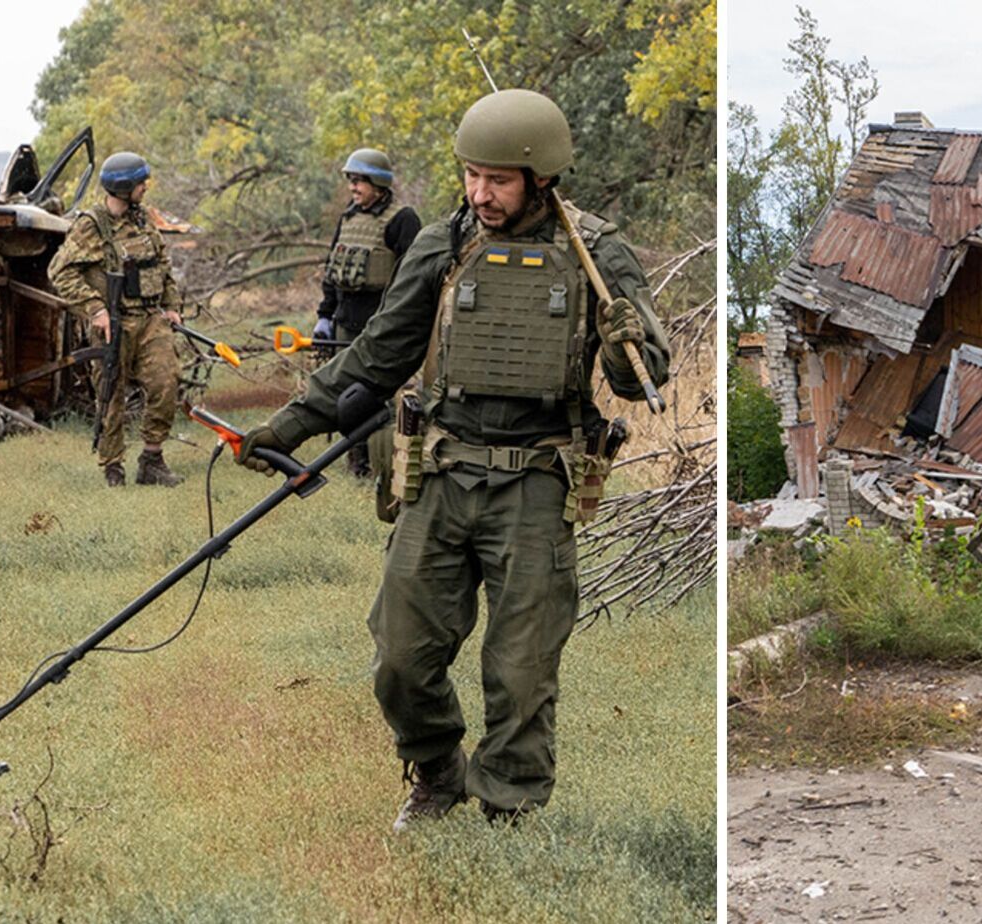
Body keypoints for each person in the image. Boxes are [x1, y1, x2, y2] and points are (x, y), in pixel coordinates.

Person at [235, 89, 671, 830]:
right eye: (472, 175)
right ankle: (437, 771)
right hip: (440, 473)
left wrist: (622, 336)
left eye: (498, 180)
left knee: (521, 671)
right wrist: (292, 424)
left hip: (537, 484)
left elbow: (643, 380)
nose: (480, 193)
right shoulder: (443, 245)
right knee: (400, 658)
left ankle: (508, 811)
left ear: (540, 177)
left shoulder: (596, 255)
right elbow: (379, 352)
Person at [48, 150, 185, 488]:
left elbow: (162, 265)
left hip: (150, 320)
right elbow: (59, 272)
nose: (146, 187)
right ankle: (113, 466)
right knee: (111, 394)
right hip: (114, 323)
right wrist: (94, 309)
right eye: (140, 182)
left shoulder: (143, 219)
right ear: (123, 187)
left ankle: (151, 460)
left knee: (166, 381)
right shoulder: (92, 226)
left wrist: (171, 304)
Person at [316, 147, 422, 476]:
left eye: (359, 181)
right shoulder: (349, 218)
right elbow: (332, 270)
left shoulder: (402, 220)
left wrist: (401, 323)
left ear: (378, 183)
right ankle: (357, 463)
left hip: (380, 325)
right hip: (345, 322)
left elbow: (413, 277)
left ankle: (386, 465)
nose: (353, 187)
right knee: (346, 395)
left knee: (379, 396)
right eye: (351, 180)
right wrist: (325, 316)